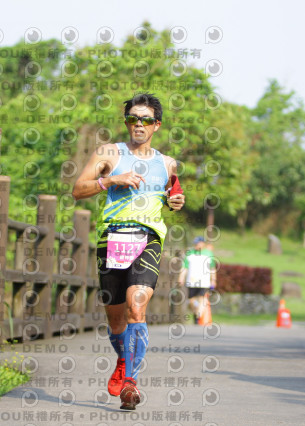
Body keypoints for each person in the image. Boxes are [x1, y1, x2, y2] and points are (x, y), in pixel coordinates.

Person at [72, 93, 184, 410]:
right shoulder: (109, 153)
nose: (139, 124)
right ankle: (123, 359)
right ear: (126, 122)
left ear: (156, 125)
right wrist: (110, 180)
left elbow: (173, 194)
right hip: (112, 237)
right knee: (116, 322)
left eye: (146, 120)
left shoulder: (167, 163)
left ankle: (131, 383)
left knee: (137, 305)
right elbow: (78, 190)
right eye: (133, 118)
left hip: (148, 237)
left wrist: (175, 202)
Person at [178, 236, 217, 324]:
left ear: (203, 243)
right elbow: (185, 267)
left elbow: (212, 268)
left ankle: (198, 317)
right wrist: (181, 277)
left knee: (201, 299)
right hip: (191, 281)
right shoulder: (190, 253)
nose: (196, 245)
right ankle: (196, 313)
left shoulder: (209, 254)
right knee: (191, 301)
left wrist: (213, 280)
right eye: (195, 243)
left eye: (198, 243)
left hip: (204, 282)